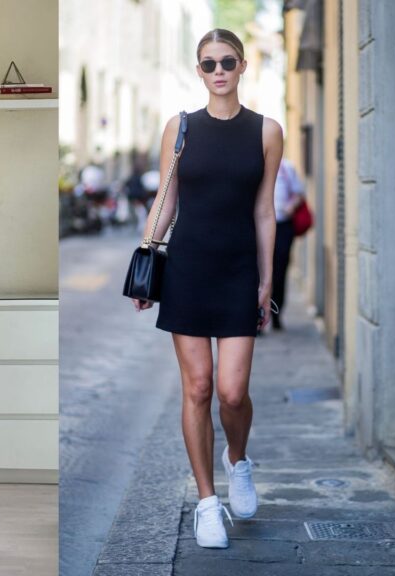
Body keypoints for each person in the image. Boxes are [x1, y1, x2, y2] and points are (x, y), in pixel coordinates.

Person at [132, 29, 283, 549]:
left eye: (228, 62)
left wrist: (266, 279)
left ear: (242, 67)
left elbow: (264, 211)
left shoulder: (267, 131)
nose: (219, 71)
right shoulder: (180, 128)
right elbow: (166, 200)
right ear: (198, 70)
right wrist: (145, 261)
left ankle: (238, 461)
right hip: (188, 270)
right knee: (197, 387)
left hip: (239, 270)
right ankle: (206, 502)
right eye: (209, 63)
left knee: (232, 392)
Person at [271, 158, 305, 330]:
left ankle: (276, 313)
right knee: (255, 271)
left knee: (280, 270)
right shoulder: (255, 163)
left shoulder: (286, 168)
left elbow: (299, 194)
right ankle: (255, 318)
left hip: (282, 225)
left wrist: (291, 206)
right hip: (256, 226)